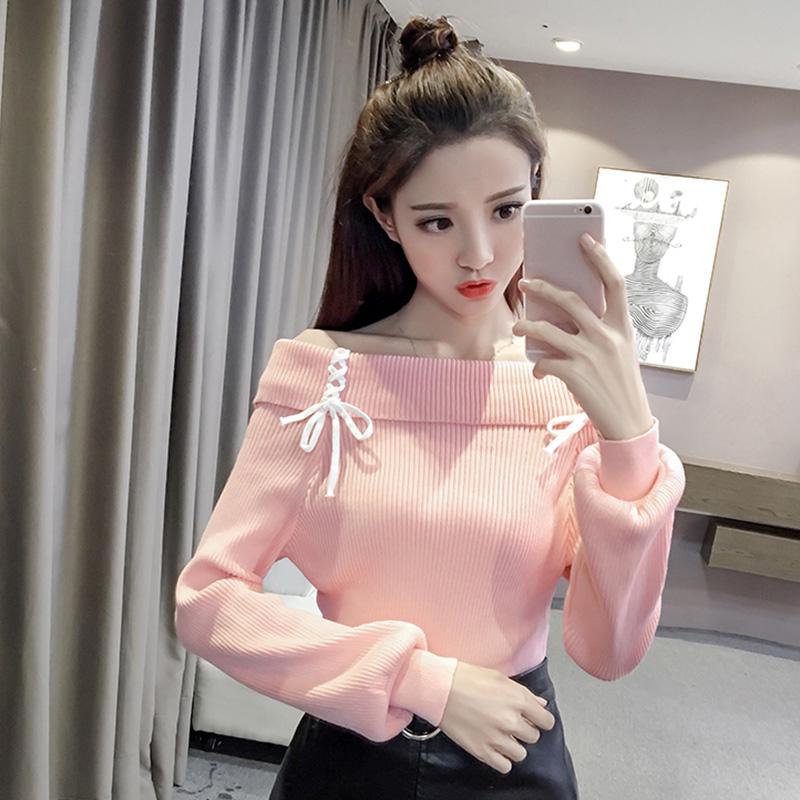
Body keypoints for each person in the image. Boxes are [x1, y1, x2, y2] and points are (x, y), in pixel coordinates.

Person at [174, 14, 687, 799]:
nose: (478, 253)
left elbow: (609, 652)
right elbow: (208, 602)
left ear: (536, 192)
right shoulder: (324, 377)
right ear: (385, 216)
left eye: (506, 210)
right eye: (437, 220)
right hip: (352, 756)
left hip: (515, 754)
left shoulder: (566, 386)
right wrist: (422, 679)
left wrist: (629, 442)